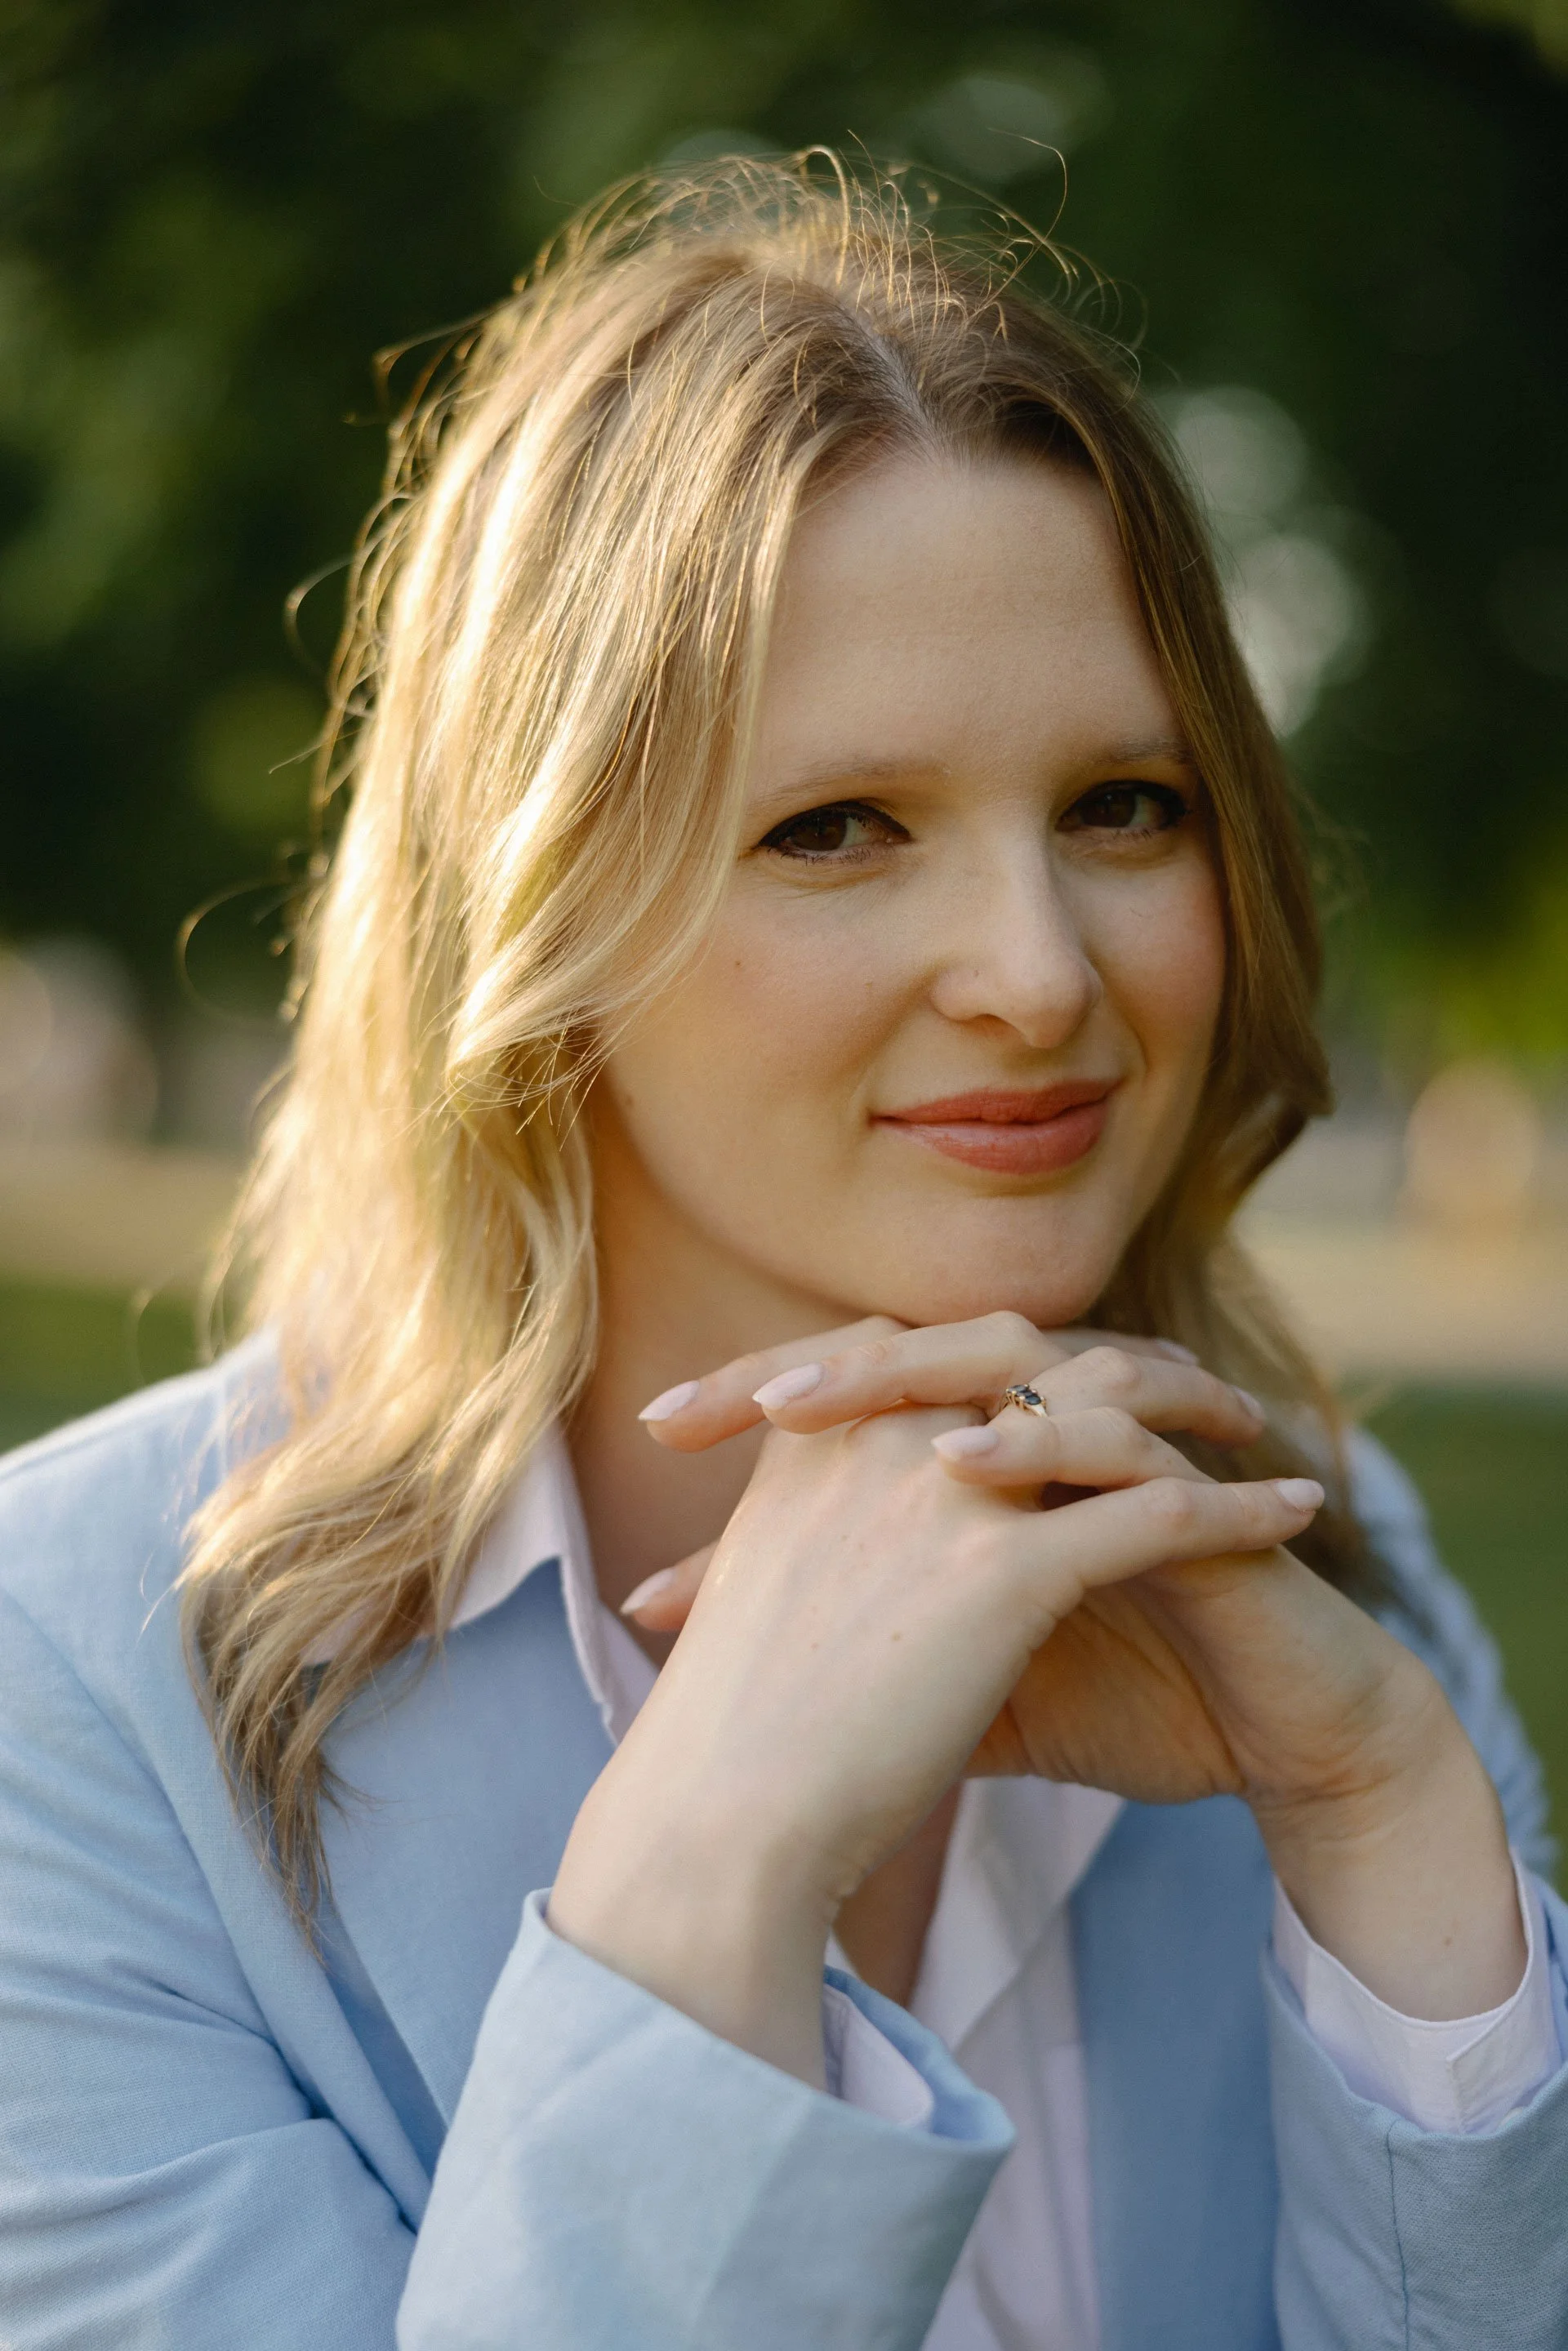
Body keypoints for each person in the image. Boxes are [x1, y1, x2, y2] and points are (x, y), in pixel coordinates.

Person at [0, 158, 1562, 2351]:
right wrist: (716, 1867)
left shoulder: (1333, 1572)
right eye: (837, 826)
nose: (1038, 973)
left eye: (1128, 803)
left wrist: (1389, 1829)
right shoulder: (57, 1697)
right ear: (536, 924)